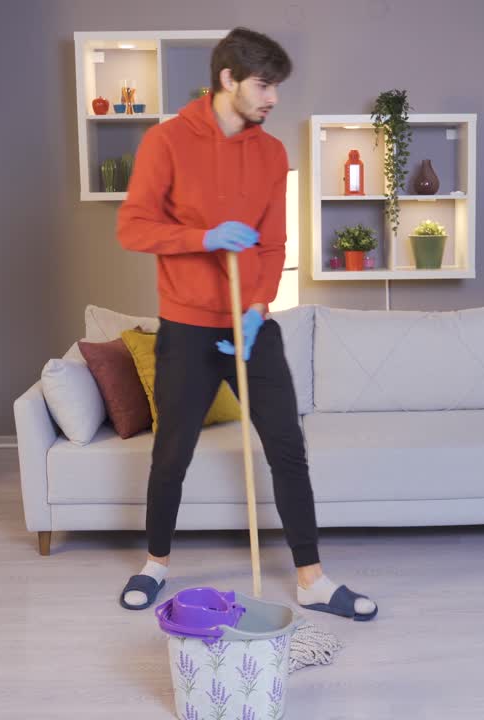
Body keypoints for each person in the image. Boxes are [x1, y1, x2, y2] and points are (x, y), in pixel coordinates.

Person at [114, 27, 377, 621]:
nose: (273, 98)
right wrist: (200, 238)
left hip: (251, 326)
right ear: (228, 79)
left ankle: (311, 578)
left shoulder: (271, 153)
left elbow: (274, 242)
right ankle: (155, 563)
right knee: (172, 453)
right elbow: (132, 227)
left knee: (288, 448)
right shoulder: (167, 142)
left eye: (278, 86)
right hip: (185, 329)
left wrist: (258, 310)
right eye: (264, 84)